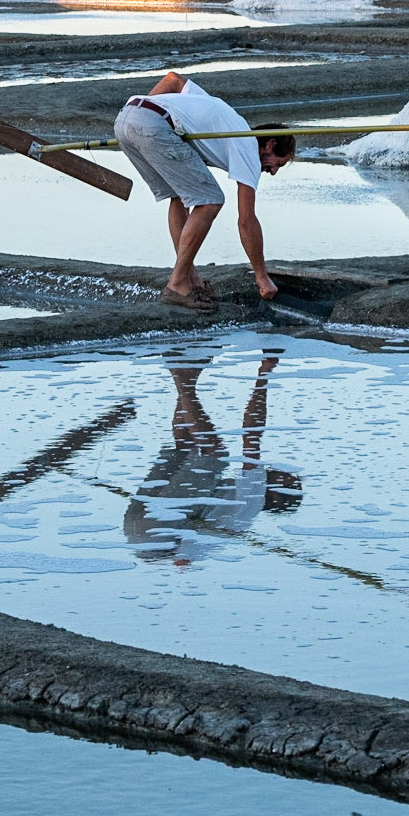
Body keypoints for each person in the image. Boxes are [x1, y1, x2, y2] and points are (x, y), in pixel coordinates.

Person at [114, 70, 295, 310]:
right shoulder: (249, 146)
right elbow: (246, 220)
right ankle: (177, 284)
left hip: (127, 118)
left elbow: (173, 80)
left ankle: (189, 278)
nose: (272, 172)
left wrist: (145, 113)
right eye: (277, 164)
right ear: (270, 144)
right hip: (152, 124)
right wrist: (262, 277)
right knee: (210, 200)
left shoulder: (221, 114)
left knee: (178, 196)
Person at [122, 350, 303, 564]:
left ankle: (180, 374)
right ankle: (189, 374)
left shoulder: (255, 496)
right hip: (138, 539)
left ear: (276, 498)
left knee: (215, 453)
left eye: (286, 480)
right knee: (185, 451)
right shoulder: (239, 521)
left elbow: (252, 435)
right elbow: (183, 561)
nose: (281, 471)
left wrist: (263, 374)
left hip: (158, 533)